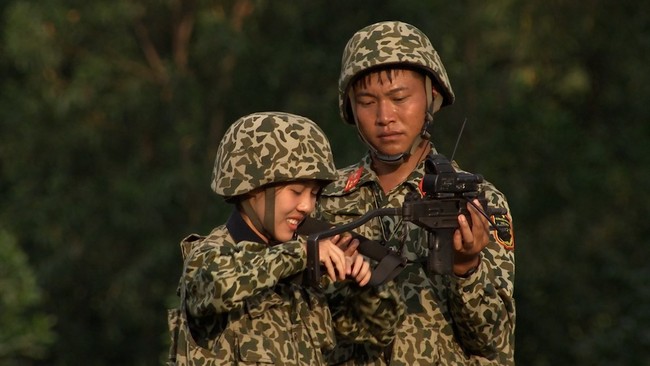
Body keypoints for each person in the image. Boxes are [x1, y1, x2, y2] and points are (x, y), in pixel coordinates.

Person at [317, 21, 516, 365]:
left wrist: (467, 267)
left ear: (432, 97)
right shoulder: (320, 198)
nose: (384, 116)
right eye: (366, 101)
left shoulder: (475, 200)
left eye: (399, 98)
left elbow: (492, 341)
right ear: (350, 108)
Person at [167, 112, 404, 365]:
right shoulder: (208, 257)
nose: (307, 206)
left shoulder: (310, 278)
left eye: (314, 194)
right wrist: (304, 253)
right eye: (296, 191)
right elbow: (218, 287)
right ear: (252, 188)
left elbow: (379, 335)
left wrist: (361, 285)